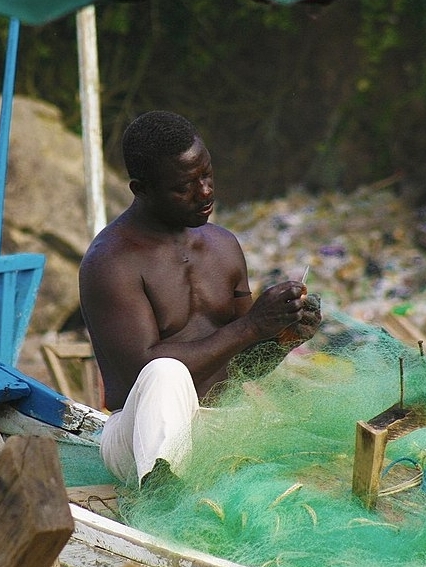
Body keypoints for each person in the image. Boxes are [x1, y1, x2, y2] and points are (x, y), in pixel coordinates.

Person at [79, 111, 321, 488]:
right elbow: (140, 372)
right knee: (165, 371)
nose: (205, 192)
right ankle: (162, 496)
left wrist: (283, 336)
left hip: (216, 429)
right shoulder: (111, 262)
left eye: (207, 175)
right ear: (141, 190)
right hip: (136, 440)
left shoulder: (223, 246)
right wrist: (251, 326)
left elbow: (243, 367)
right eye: (184, 187)